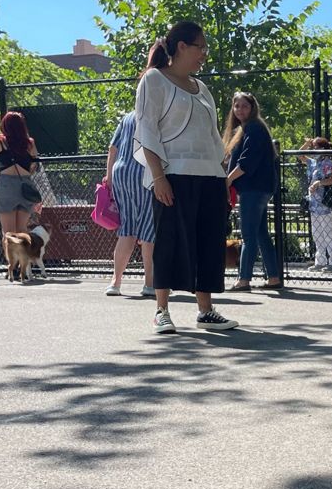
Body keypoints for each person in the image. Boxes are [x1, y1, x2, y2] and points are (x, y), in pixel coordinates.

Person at [133, 21, 237, 334]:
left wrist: (223, 174)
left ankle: (205, 311)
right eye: (200, 47)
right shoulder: (154, 80)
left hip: (210, 176)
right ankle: (161, 310)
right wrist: (158, 177)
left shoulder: (201, 87)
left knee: (208, 242)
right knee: (169, 241)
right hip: (174, 175)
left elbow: (211, 135)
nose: (204, 54)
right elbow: (147, 130)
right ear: (181, 47)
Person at [223, 92, 281, 291]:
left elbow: (246, 163)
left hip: (253, 189)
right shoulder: (247, 129)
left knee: (248, 235)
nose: (240, 110)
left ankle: (244, 279)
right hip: (258, 188)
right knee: (261, 233)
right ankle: (273, 277)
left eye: (244, 106)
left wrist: (228, 180)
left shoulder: (254, 129)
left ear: (252, 107)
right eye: (236, 106)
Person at [104, 112, 156, 297]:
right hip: (146, 173)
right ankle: (149, 284)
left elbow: (113, 148)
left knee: (127, 229)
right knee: (150, 230)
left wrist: (109, 176)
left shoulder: (127, 118)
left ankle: (115, 282)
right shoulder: (155, 115)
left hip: (122, 172)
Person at [0, 111, 42, 255]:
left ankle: (13, 266)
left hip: (6, 186)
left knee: (8, 232)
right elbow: (34, 166)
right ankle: (24, 264)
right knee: (22, 230)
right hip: (25, 186)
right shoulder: (30, 143)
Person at [297, 137, 332, 271]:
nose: (313, 150)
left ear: (323, 149)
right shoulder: (312, 162)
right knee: (316, 233)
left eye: (315, 147)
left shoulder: (327, 163)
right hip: (314, 203)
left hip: (325, 203)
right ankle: (320, 261)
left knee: (328, 232)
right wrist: (307, 143)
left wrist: (319, 183)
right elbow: (299, 155)